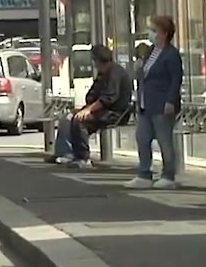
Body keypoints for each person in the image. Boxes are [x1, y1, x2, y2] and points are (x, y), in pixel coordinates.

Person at [125, 15, 183, 190]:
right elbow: (144, 74)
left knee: (164, 140)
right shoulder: (150, 51)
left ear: (164, 33)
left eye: (154, 30)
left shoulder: (171, 54)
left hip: (162, 102)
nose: (151, 34)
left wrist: (171, 101)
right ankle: (144, 173)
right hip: (146, 103)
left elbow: (176, 79)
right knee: (142, 137)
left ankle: (168, 175)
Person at [59, 44, 133, 169]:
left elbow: (108, 99)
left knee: (80, 121)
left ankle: (83, 158)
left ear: (99, 60)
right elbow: (93, 95)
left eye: (94, 60)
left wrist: (88, 110)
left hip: (115, 112)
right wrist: (84, 108)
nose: (94, 64)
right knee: (68, 117)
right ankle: (66, 152)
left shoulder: (115, 73)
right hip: (102, 110)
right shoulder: (103, 73)